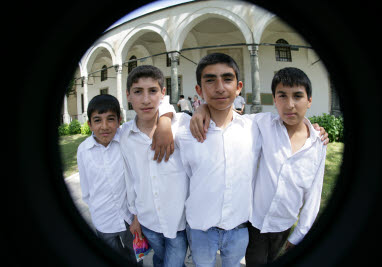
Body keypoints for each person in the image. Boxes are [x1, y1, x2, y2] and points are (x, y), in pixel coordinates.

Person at [190, 67, 329, 266]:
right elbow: (228, 116)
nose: (290, 105)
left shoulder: (317, 144)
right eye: (282, 96)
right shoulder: (263, 124)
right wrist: (202, 108)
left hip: (284, 225)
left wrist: (300, 234)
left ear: (309, 100)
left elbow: (314, 195)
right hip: (256, 223)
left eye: (298, 96)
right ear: (274, 99)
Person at [175, 53, 262, 267]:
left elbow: (290, 122)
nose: (220, 87)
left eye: (227, 79)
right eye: (210, 80)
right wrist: (197, 110)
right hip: (200, 229)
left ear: (239, 86)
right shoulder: (184, 133)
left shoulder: (255, 128)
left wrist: (313, 129)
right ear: (199, 89)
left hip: (239, 228)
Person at [121, 65, 189, 267]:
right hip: (147, 220)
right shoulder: (125, 136)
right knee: (160, 260)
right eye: (138, 92)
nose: (146, 99)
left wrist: (166, 119)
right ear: (128, 95)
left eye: (153, 91)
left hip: (179, 221)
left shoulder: (182, 125)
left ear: (163, 94)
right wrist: (134, 216)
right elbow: (130, 178)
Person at [77, 94, 141, 266]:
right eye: (97, 120)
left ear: (119, 121)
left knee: (136, 258)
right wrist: (95, 211)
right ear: (89, 124)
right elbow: (86, 188)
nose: (104, 127)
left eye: (110, 119)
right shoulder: (83, 151)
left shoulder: (127, 139)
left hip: (130, 220)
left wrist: (136, 217)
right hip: (103, 220)